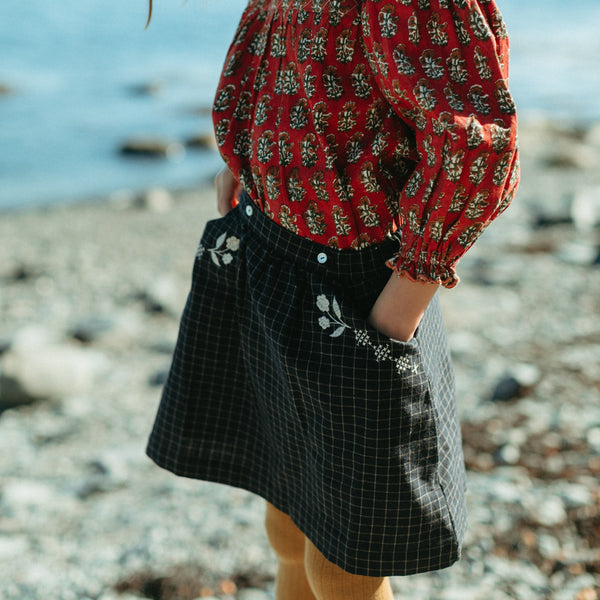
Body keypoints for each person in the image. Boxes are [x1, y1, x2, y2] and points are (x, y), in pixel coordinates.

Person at [146, 1, 519, 598]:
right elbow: (292, 65)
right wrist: (244, 158)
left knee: (344, 563)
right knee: (287, 520)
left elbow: (475, 151)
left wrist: (395, 312)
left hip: (354, 291)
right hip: (266, 251)